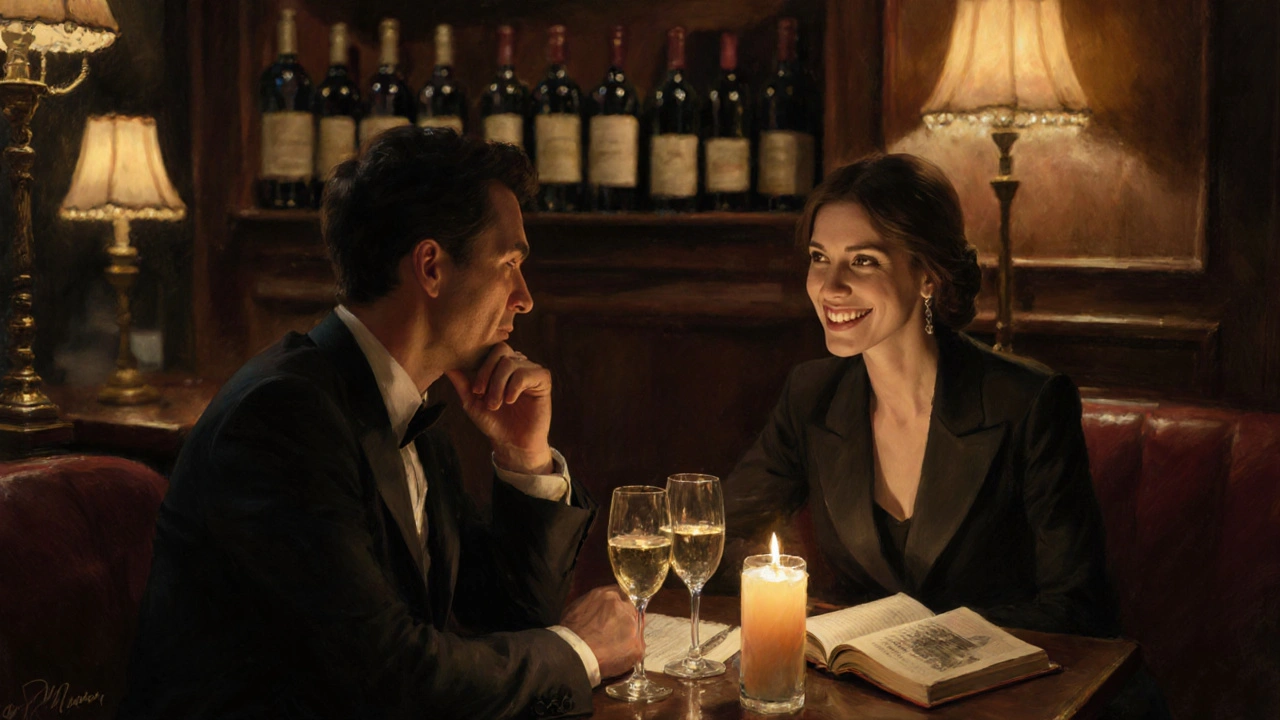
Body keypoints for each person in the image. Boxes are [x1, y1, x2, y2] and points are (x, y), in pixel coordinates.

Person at [118, 127, 640, 720]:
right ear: (431, 267)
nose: (524, 297)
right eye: (510, 263)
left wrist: (526, 460)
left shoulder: (403, 404)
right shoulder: (282, 420)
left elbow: (509, 617)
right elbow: (392, 680)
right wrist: (583, 652)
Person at [717, 153, 1119, 637]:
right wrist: (796, 605)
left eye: (863, 260)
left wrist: (906, 636)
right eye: (820, 258)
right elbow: (715, 540)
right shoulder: (812, 394)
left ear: (928, 274)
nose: (830, 286)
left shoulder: (1029, 402)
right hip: (868, 692)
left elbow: (1078, 607)